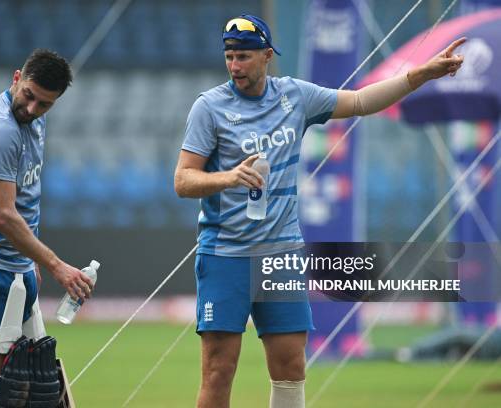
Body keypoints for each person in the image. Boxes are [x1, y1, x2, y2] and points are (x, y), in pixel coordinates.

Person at [174, 14, 465, 408]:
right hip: (226, 255)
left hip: (281, 255)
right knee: (218, 370)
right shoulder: (208, 108)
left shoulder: (294, 96)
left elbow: (361, 101)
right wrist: (228, 178)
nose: (234, 66)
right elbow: (184, 181)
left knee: (291, 367)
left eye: (243, 56)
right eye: (229, 57)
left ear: (266, 56)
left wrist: (421, 76)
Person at [0, 49, 94, 408]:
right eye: (28, 95)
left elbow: (26, 199)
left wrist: (28, 260)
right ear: (16, 78)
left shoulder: (34, 122)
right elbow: (2, 215)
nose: (31, 109)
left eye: (44, 104)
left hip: (15, 265)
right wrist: (55, 264)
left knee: (39, 383)